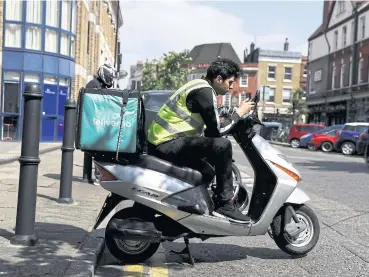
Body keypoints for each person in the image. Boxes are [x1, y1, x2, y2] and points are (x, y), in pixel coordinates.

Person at [146, 58, 255, 222]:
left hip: (164, 143)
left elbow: (212, 128)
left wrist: (233, 117)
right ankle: (225, 204)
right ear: (218, 79)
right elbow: (218, 132)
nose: (232, 87)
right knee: (223, 146)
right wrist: (238, 114)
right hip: (166, 143)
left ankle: (188, 212)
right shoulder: (205, 91)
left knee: (207, 172)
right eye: (230, 82)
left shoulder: (198, 85)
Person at [86, 63, 117, 185]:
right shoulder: (93, 84)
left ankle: (96, 175)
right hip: (92, 123)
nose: (110, 80)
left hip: (97, 123)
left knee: (98, 150)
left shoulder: (100, 85)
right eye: (109, 77)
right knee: (96, 151)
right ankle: (96, 176)